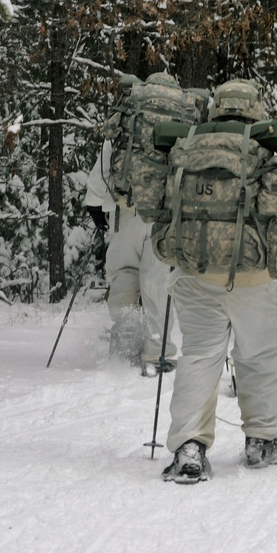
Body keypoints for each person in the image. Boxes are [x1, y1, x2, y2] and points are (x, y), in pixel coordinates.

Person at [160, 79, 277, 485]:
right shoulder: (262, 154)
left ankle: (189, 447)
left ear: (216, 110)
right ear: (254, 110)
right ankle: (263, 438)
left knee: (200, 356)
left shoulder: (185, 152)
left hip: (192, 273)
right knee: (260, 356)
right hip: (254, 278)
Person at [84, 139, 177, 377]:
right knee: (156, 283)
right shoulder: (185, 118)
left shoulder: (128, 121)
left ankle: (126, 347)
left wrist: (95, 204)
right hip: (165, 215)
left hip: (124, 213)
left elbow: (102, 169)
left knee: (125, 272)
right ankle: (156, 354)